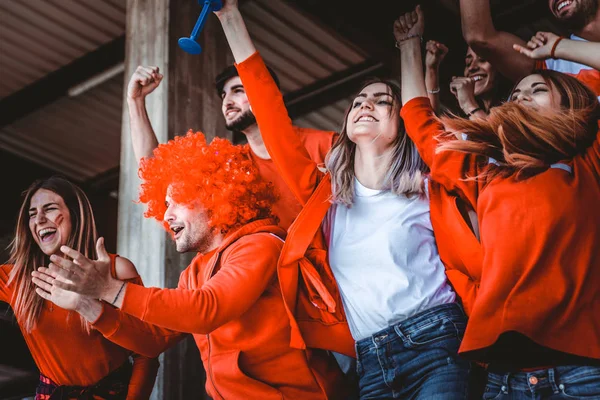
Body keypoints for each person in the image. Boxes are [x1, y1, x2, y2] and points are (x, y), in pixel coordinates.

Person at [214, 1, 479, 398]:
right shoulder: (326, 197)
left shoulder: (431, 187)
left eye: (381, 100)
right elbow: (268, 110)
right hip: (371, 361)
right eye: (357, 102)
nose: (365, 105)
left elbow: (421, 114)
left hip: (438, 343)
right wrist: (228, 14)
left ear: (402, 120)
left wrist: (410, 47)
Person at [33, 132, 346, 399]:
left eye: (175, 202)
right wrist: (90, 307)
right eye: (163, 204)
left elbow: (208, 309)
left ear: (212, 195)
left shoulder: (260, 244)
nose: (166, 216)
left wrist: (110, 290)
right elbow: (153, 341)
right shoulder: (193, 273)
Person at [397, 5, 600, 398]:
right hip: (505, 381)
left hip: (582, 373)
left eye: (537, 89)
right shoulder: (482, 171)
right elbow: (418, 119)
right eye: (516, 93)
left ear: (572, 107)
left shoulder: (588, 163)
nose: (520, 96)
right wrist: (408, 44)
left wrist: (560, 48)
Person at [126, 59, 336, 230]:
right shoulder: (232, 165)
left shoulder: (326, 144)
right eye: (224, 95)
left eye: (238, 91)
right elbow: (156, 172)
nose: (226, 101)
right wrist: (135, 102)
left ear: (269, 95)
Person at [0, 176, 158, 399]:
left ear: (75, 214)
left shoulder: (116, 270)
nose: (40, 219)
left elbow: (147, 353)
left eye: (50, 209)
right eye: (32, 214)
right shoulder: (18, 278)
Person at [459, 0, 600, 96]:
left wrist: (559, 46)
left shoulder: (556, 48)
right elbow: (480, 38)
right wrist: (555, 48)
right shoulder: (550, 61)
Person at [425, 40, 506, 119]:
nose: (471, 67)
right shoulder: (470, 115)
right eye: (468, 62)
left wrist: (468, 103)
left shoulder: (513, 107)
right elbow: (432, 124)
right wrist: (432, 69)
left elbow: (490, 132)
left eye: (482, 59)